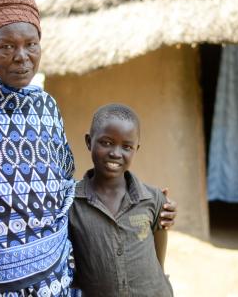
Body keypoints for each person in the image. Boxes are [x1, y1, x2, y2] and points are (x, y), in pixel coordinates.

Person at [0, 0, 176, 297]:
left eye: (31, 44)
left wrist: (147, 202)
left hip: (50, 283)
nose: (21, 56)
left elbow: (62, 189)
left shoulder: (44, 107)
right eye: (6, 46)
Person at [69, 103, 173, 297]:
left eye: (126, 146)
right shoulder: (72, 202)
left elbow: (159, 261)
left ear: (136, 149)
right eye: (106, 142)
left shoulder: (152, 198)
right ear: (89, 141)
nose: (116, 153)